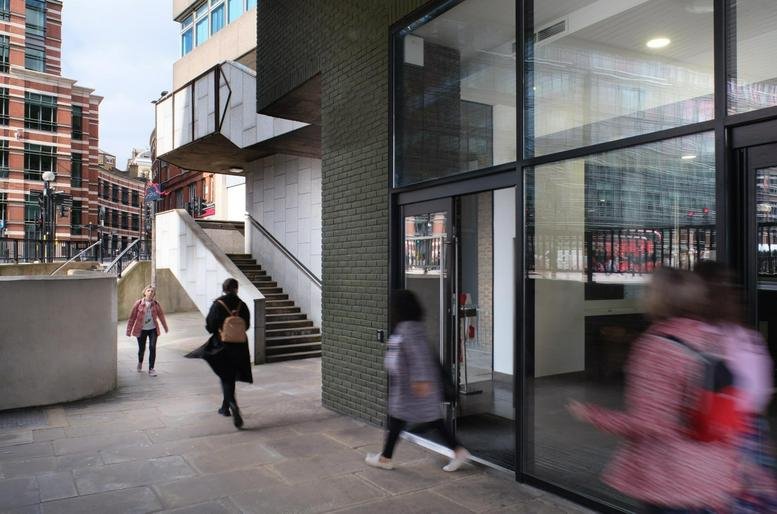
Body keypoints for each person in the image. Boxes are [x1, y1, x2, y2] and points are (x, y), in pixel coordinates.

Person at [567, 267, 740, 513]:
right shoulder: (712, 339)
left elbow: (648, 422)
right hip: (715, 470)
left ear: (657, 298)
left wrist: (592, 414)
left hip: (671, 477)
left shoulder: (655, 347)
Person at [694, 261, 777, 512]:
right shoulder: (748, 336)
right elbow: (761, 389)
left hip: (721, 436)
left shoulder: (700, 335)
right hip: (745, 432)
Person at [365, 289, 470, 472]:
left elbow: (419, 356)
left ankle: (458, 451)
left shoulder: (409, 329)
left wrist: (420, 381)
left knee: (428, 421)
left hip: (416, 388)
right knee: (409, 421)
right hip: (409, 389)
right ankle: (386, 457)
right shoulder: (409, 327)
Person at [187, 278, 251, 429]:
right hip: (240, 346)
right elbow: (246, 325)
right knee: (231, 376)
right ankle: (225, 408)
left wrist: (221, 330)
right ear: (237, 288)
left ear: (224, 289)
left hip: (222, 346)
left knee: (225, 377)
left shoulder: (218, 304)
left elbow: (210, 325)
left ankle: (232, 404)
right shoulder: (243, 305)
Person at [126, 284, 168, 377]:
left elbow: (161, 316)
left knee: (152, 348)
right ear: (144, 292)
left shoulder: (156, 304)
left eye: (152, 291)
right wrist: (129, 331)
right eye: (148, 290)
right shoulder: (138, 303)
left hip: (153, 329)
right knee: (142, 349)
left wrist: (165, 327)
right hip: (141, 330)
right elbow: (132, 317)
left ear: (154, 294)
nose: (150, 292)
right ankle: (140, 362)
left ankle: (151, 368)